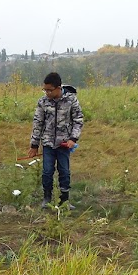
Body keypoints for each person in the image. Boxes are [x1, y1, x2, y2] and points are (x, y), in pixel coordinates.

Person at [28, 72, 84, 207]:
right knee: (47, 171)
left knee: (64, 171)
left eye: (50, 90)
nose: (47, 93)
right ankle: (47, 198)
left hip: (64, 144)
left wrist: (73, 139)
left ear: (59, 88)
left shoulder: (71, 100)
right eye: (45, 90)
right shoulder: (42, 102)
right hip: (47, 143)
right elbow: (38, 123)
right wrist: (34, 145)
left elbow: (78, 120)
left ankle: (64, 200)